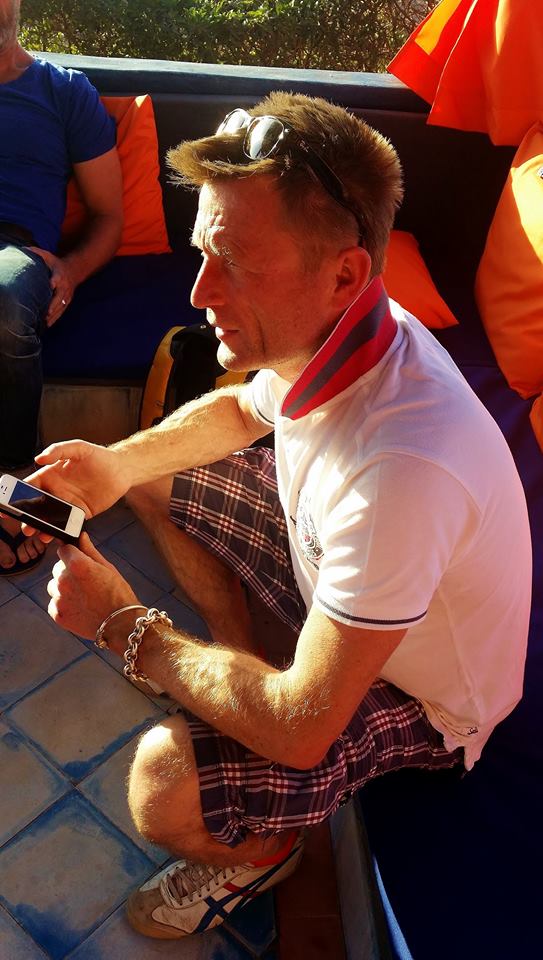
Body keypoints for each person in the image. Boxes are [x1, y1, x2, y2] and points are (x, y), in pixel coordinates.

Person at [29, 91, 531, 941]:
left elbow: (302, 732)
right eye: (202, 252)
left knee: (164, 788)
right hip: (339, 569)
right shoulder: (349, 328)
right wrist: (114, 466)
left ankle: (262, 853)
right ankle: (243, 662)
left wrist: (125, 626)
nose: (199, 292)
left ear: (342, 274)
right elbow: (239, 410)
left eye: (234, 262)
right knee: (150, 468)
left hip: (422, 698)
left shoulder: (403, 471)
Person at [0, 0, 122, 575]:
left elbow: (109, 216)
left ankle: (14, 481)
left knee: (3, 304)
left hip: (12, 252)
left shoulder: (63, 92)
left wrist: (69, 269)